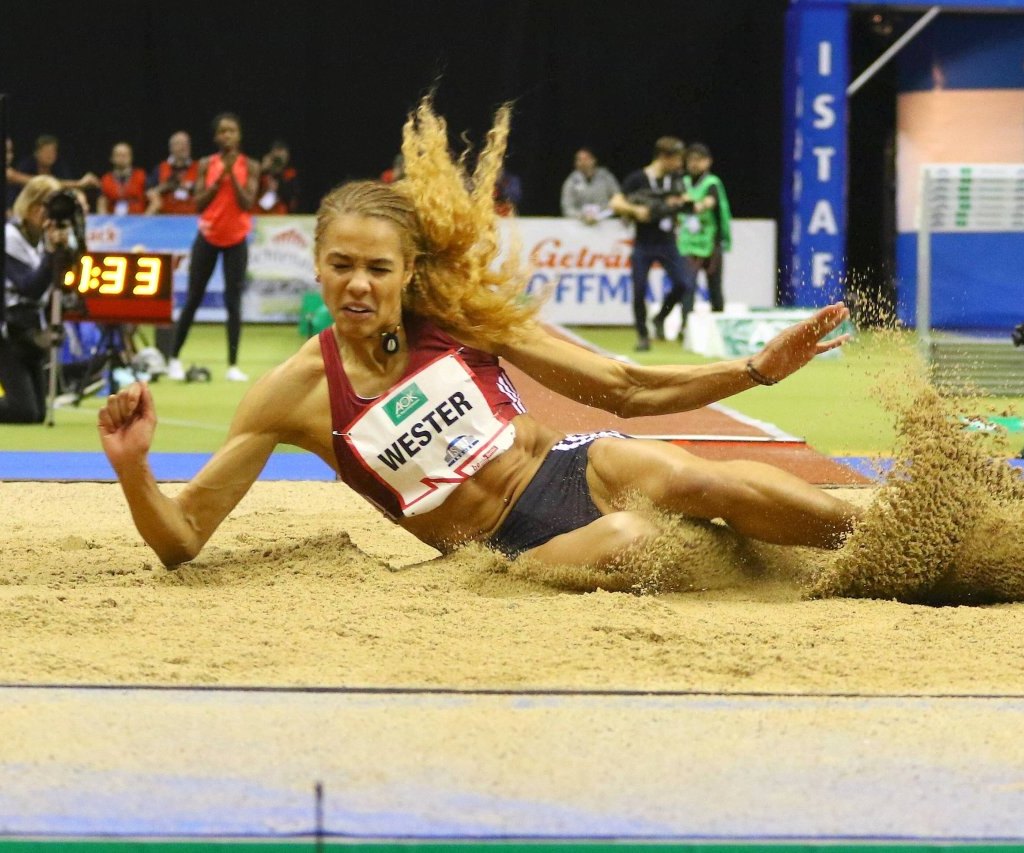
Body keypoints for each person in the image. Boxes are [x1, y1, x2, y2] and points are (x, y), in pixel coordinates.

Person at [98, 98, 858, 576]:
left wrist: (756, 369)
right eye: (341, 266)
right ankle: (744, 556)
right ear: (318, 270)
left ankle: (883, 541)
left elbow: (626, 389)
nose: (358, 283)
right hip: (505, 545)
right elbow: (184, 536)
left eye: (377, 267)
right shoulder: (293, 392)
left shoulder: (456, 317)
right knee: (630, 537)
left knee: (702, 480)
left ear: (406, 272)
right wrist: (135, 468)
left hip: (570, 466)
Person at [165, 113, 260, 383]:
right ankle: (173, 359)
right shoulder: (206, 164)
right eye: (223, 131)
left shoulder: (250, 165)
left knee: (233, 302)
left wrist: (233, 176)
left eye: (232, 131)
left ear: (239, 136)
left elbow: (246, 203)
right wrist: (219, 180)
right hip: (208, 236)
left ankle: (232, 365)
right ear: (216, 137)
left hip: (236, 239)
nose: (227, 136)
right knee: (193, 297)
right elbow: (198, 203)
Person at [609, 136, 697, 351]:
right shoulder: (637, 179)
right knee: (639, 289)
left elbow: (686, 200)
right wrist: (635, 211)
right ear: (664, 157)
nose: (679, 164)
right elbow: (615, 202)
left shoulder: (676, 180)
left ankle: (660, 317)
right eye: (677, 159)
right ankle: (643, 336)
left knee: (683, 284)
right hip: (643, 244)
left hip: (667, 242)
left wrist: (684, 203)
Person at [1, 176, 72, 423]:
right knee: (24, 411)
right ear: (32, 206)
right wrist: (51, 255)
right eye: (46, 207)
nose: (50, 216)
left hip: (32, 328)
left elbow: (61, 286)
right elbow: (28, 287)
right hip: (8, 332)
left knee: (38, 413)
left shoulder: (44, 237)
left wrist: (65, 249)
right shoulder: (9, 238)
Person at [678, 143, 732, 313]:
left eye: (698, 160)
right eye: (690, 160)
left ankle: (720, 325)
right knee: (688, 286)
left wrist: (692, 206)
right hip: (689, 243)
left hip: (711, 243)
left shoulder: (712, 183)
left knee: (714, 287)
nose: (694, 164)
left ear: (707, 162)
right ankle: (686, 328)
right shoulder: (682, 182)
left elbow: (710, 202)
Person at [560, 147, 620, 224]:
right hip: (580, 223)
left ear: (594, 160)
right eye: (579, 160)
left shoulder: (606, 177)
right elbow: (567, 207)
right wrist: (582, 216)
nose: (582, 162)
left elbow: (618, 199)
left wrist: (602, 216)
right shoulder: (571, 181)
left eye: (586, 159)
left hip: (606, 222)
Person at [146, 131, 199, 215]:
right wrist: (165, 187)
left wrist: (191, 187)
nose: (184, 147)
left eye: (187, 143)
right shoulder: (160, 168)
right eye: (180, 144)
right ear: (171, 148)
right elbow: (150, 192)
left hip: (192, 219)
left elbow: (206, 192)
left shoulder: (199, 168)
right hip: (166, 219)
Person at [97, 142, 149, 215]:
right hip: (113, 223)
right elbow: (101, 204)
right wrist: (104, 221)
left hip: (137, 221)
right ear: (111, 158)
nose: (122, 158)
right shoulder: (105, 179)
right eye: (118, 155)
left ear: (131, 157)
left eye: (125, 155)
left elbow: (155, 201)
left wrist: (146, 220)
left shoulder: (141, 175)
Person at [255, 140, 300, 214]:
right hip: (259, 216)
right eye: (276, 157)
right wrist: (262, 170)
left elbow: (292, 197)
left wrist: (278, 176)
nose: (278, 159)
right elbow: (251, 191)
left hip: (281, 217)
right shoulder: (261, 173)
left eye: (282, 154)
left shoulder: (291, 174)